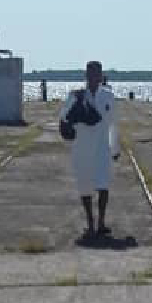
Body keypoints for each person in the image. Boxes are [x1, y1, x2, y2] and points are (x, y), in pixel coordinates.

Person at [59, 61, 120, 240]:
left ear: (101, 76)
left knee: (103, 184)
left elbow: (112, 124)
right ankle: (90, 223)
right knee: (85, 187)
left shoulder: (108, 96)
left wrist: (115, 147)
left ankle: (101, 222)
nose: (94, 78)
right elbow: (63, 118)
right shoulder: (75, 96)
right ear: (86, 76)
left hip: (102, 147)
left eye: (97, 74)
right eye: (91, 74)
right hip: (82, 147)